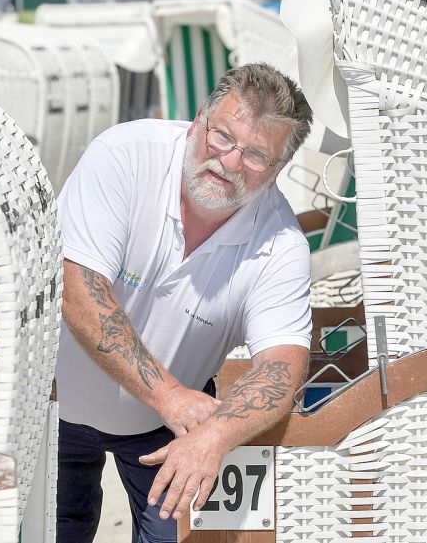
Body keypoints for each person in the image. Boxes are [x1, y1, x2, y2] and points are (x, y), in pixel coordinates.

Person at [55, 63, 314, 543]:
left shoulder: (281, 243)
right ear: (198, 121)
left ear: (280, 168)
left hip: (169, 430)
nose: (231, 162)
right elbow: (78, 290)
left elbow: (283, 365)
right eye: (223, 137)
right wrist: (170, 397)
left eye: (257, 154)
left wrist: (214, 438)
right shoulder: (125, 155)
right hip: (55, 408)